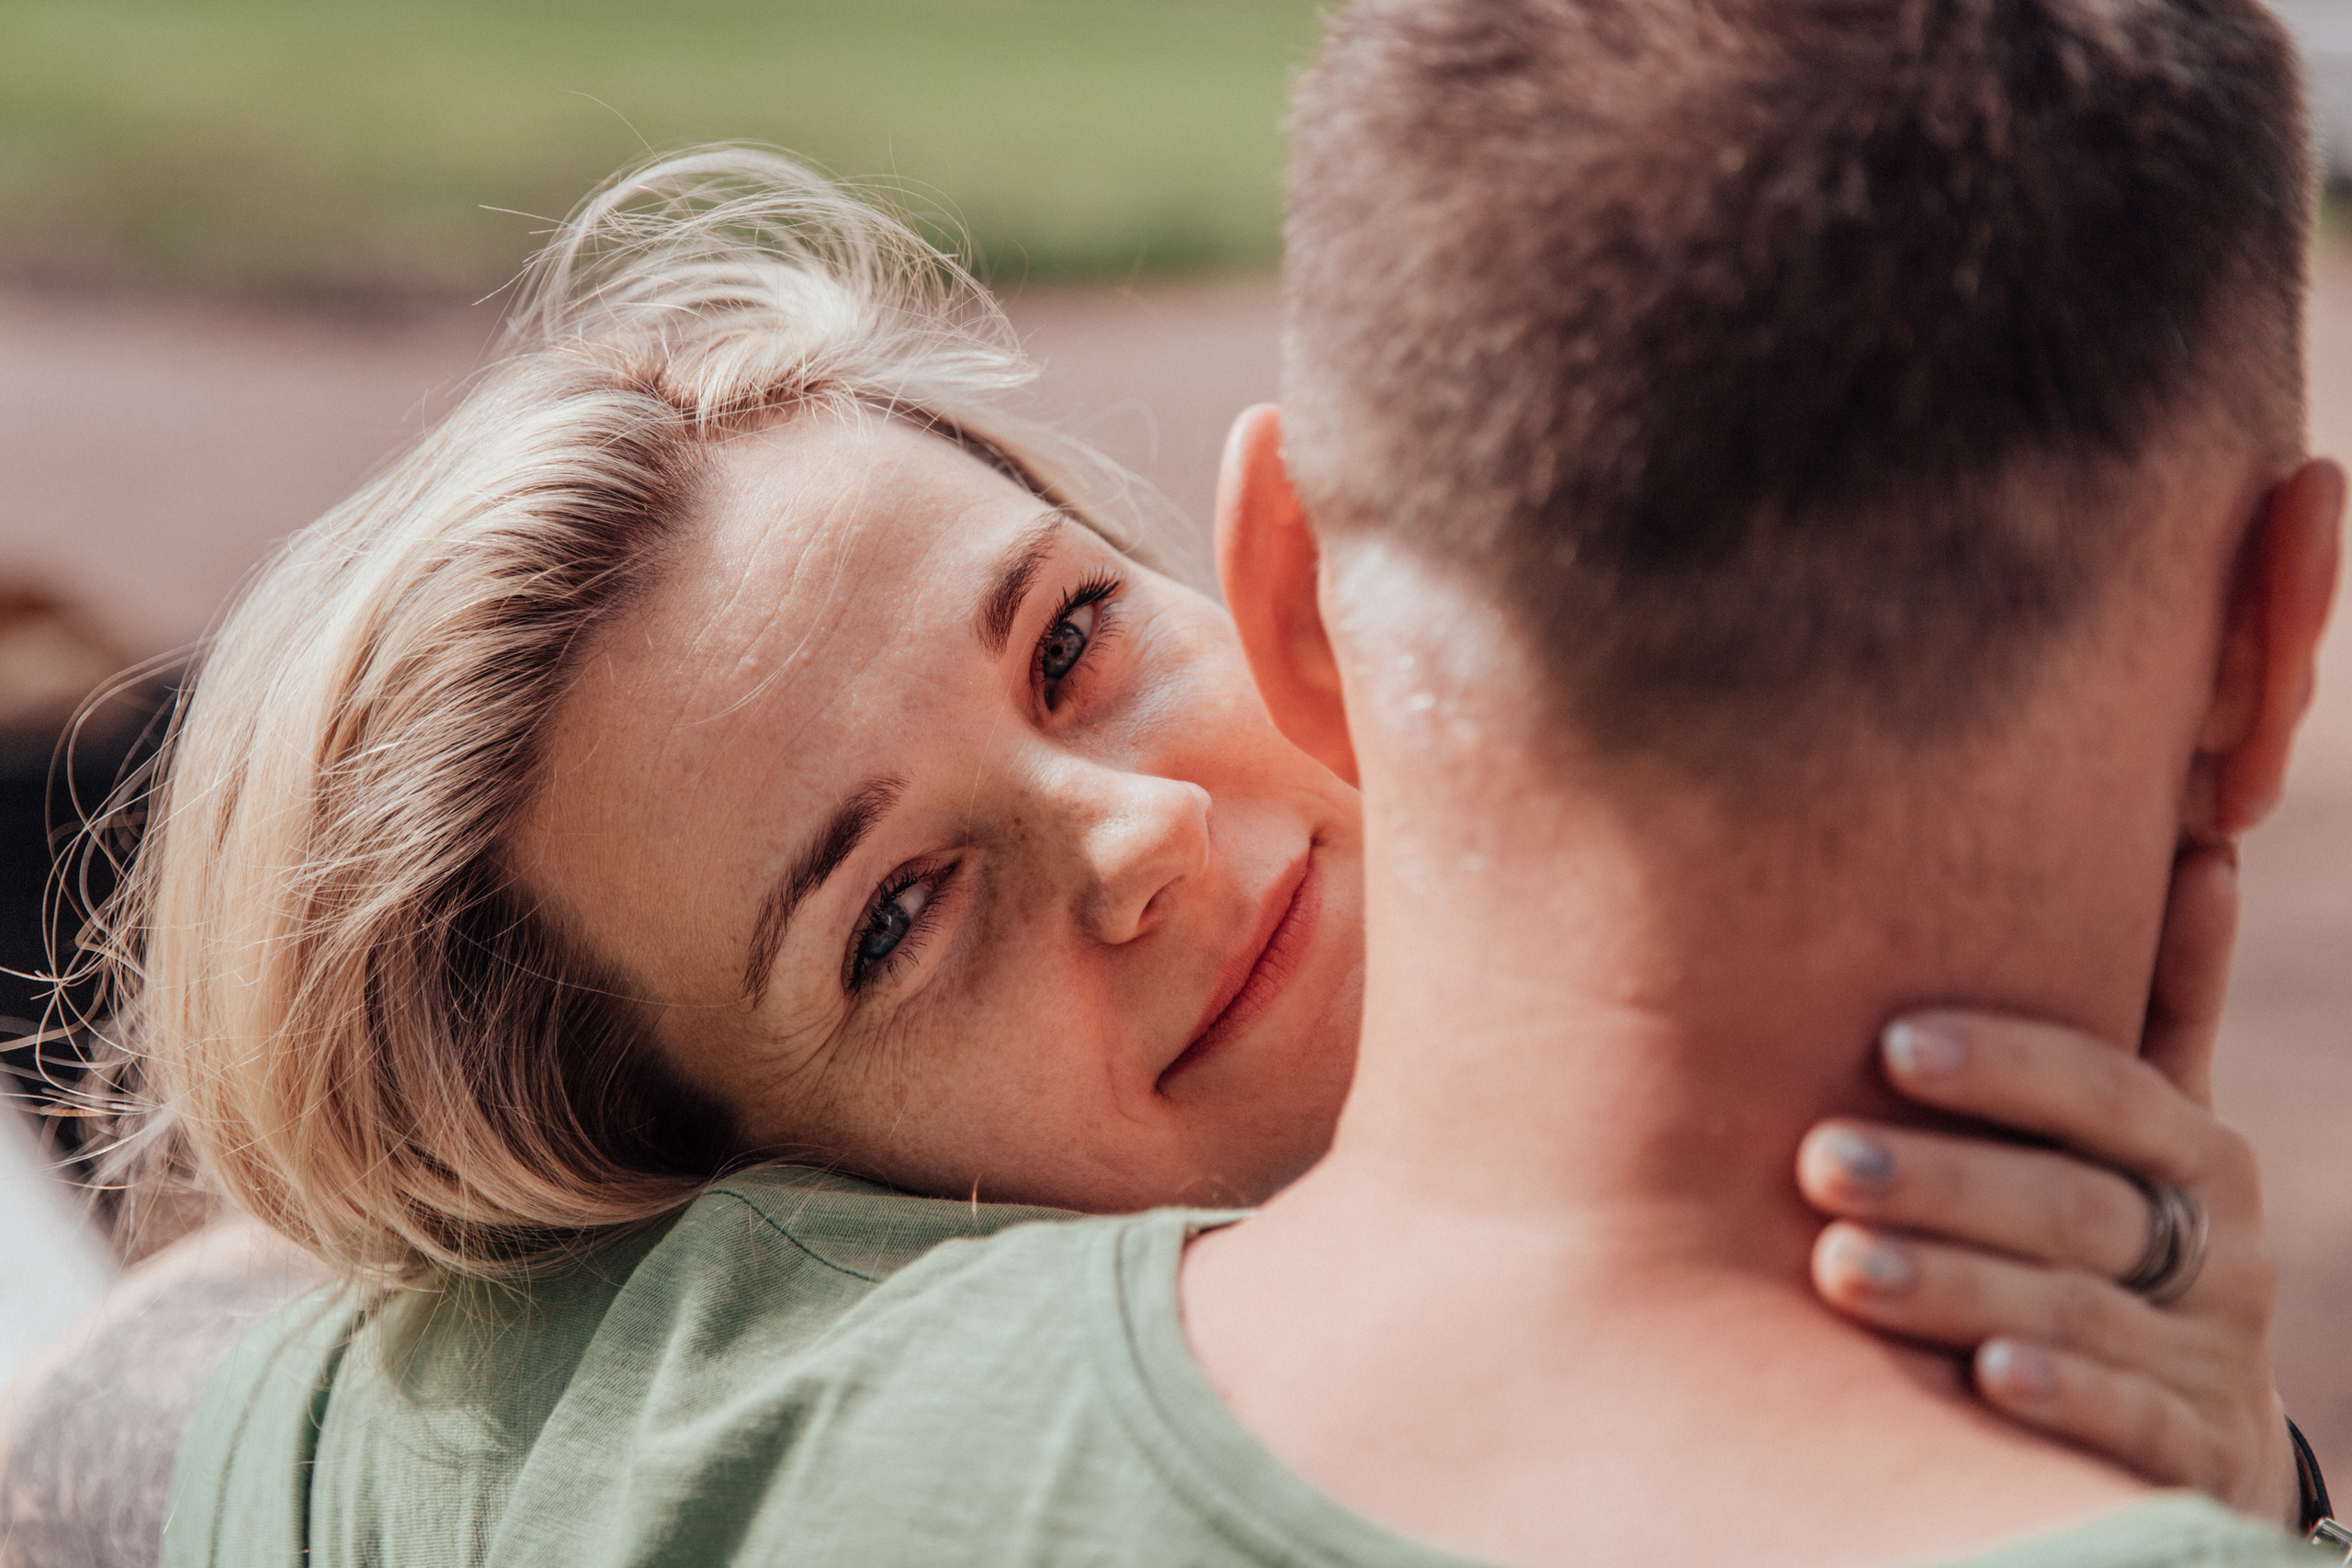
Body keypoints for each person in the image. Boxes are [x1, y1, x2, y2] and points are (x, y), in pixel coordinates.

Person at [0, 97, 2311, 1560]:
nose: (1117, 835)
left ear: (1249, 574)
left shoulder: (640, 1450)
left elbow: (147, 1400)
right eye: (894, 914)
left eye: (1071, 644)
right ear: (758, 1194)